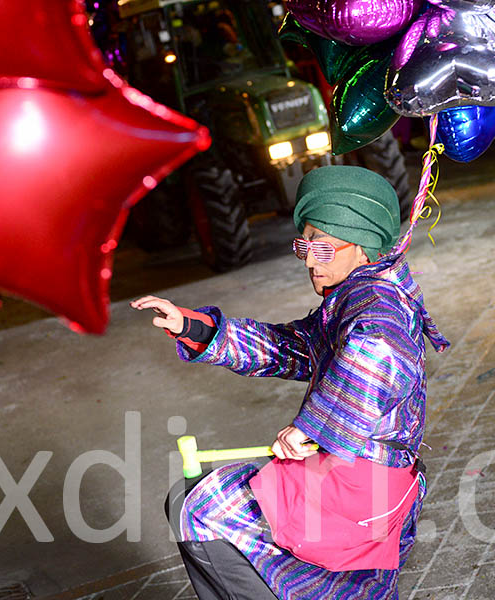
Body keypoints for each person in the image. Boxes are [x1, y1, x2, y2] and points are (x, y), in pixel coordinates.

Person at [132, 165, 449, 599]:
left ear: (361, 243)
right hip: (358, 478)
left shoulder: (378, 306)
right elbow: (289, 347)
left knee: (199, 509)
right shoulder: (357, 294)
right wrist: (198, 328)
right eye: (304, 246)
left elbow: (374, 358)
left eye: (321, 249)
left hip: (360, 483)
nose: (308, 261)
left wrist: (310, 429)